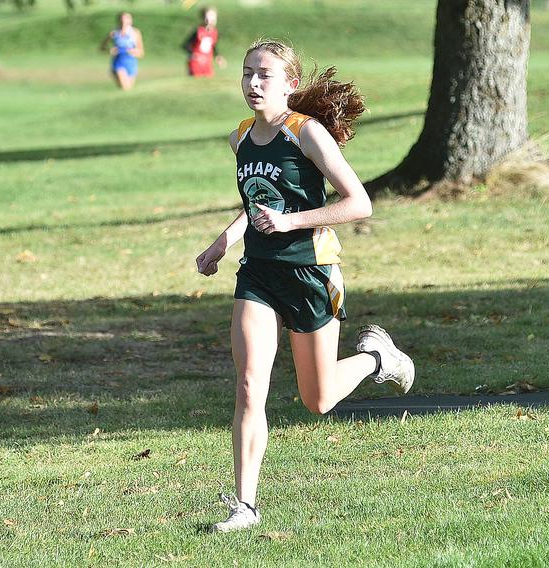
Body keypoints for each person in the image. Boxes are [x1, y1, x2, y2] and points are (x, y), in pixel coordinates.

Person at [195, 39, 416, 533]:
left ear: (289, 84)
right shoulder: (240, 138)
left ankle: (378, 358)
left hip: (311, 272)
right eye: (248, 73)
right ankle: (245, 506)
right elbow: (257, 206)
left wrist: (292, 221)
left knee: (317, 400)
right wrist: (224, 241)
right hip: (258, 272)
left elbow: (359, 203)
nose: (253, 83)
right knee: (250, 385)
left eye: (265, 75)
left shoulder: (306, 134)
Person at [100, 12, 145, 90]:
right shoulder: (114, 33)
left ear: (131, 21)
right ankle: (115, 72)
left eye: (127, 19)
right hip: (119, 62)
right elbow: (102, 48)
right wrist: (109, 51)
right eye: (122, 20)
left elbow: (141, 53)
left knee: (129, 89)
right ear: (119, 21)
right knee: (125, 88)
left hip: (131, 63)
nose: (124, 22)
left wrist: (134, 52)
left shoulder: (135, 33)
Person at [182, 6, 226, 77]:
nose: (210, 19)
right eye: (208, 16)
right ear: (204, 18)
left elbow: (213, 46)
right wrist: (194, 55)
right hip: (196, 64)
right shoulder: (198, 31)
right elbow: (185, 45)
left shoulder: (215, 32)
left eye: (213, 17)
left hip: (207, 64)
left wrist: (218, 57)